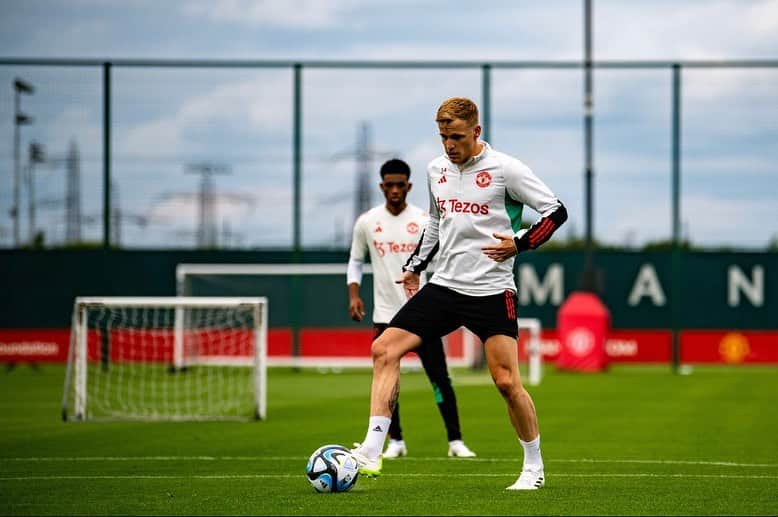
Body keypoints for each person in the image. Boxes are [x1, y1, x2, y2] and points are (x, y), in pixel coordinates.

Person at [350, 97, 567, 490]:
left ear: (476, 132)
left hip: (491, 290)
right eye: (443, 137)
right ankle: (371, 450)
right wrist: (415, 266)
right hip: (445, 286)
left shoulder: (506, 169)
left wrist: (520, 243)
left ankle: (533, 467)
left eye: (457, 137)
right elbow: (435, 224)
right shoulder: (436, 170)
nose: (449, 145)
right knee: (384, 349)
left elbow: (555, 211)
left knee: (505, 382)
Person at [347, 158, 477, 459]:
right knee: (387, 379)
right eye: (389, 185)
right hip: (384, 316)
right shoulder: (367, 222)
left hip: (424, 316)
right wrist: (353, 294)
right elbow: (355, 260)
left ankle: (455, 441)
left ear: (409, 186)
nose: (395, 190)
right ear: (381, 187)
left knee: (439, 379)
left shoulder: (424, 220)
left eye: (400, 185)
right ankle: (396, 441)